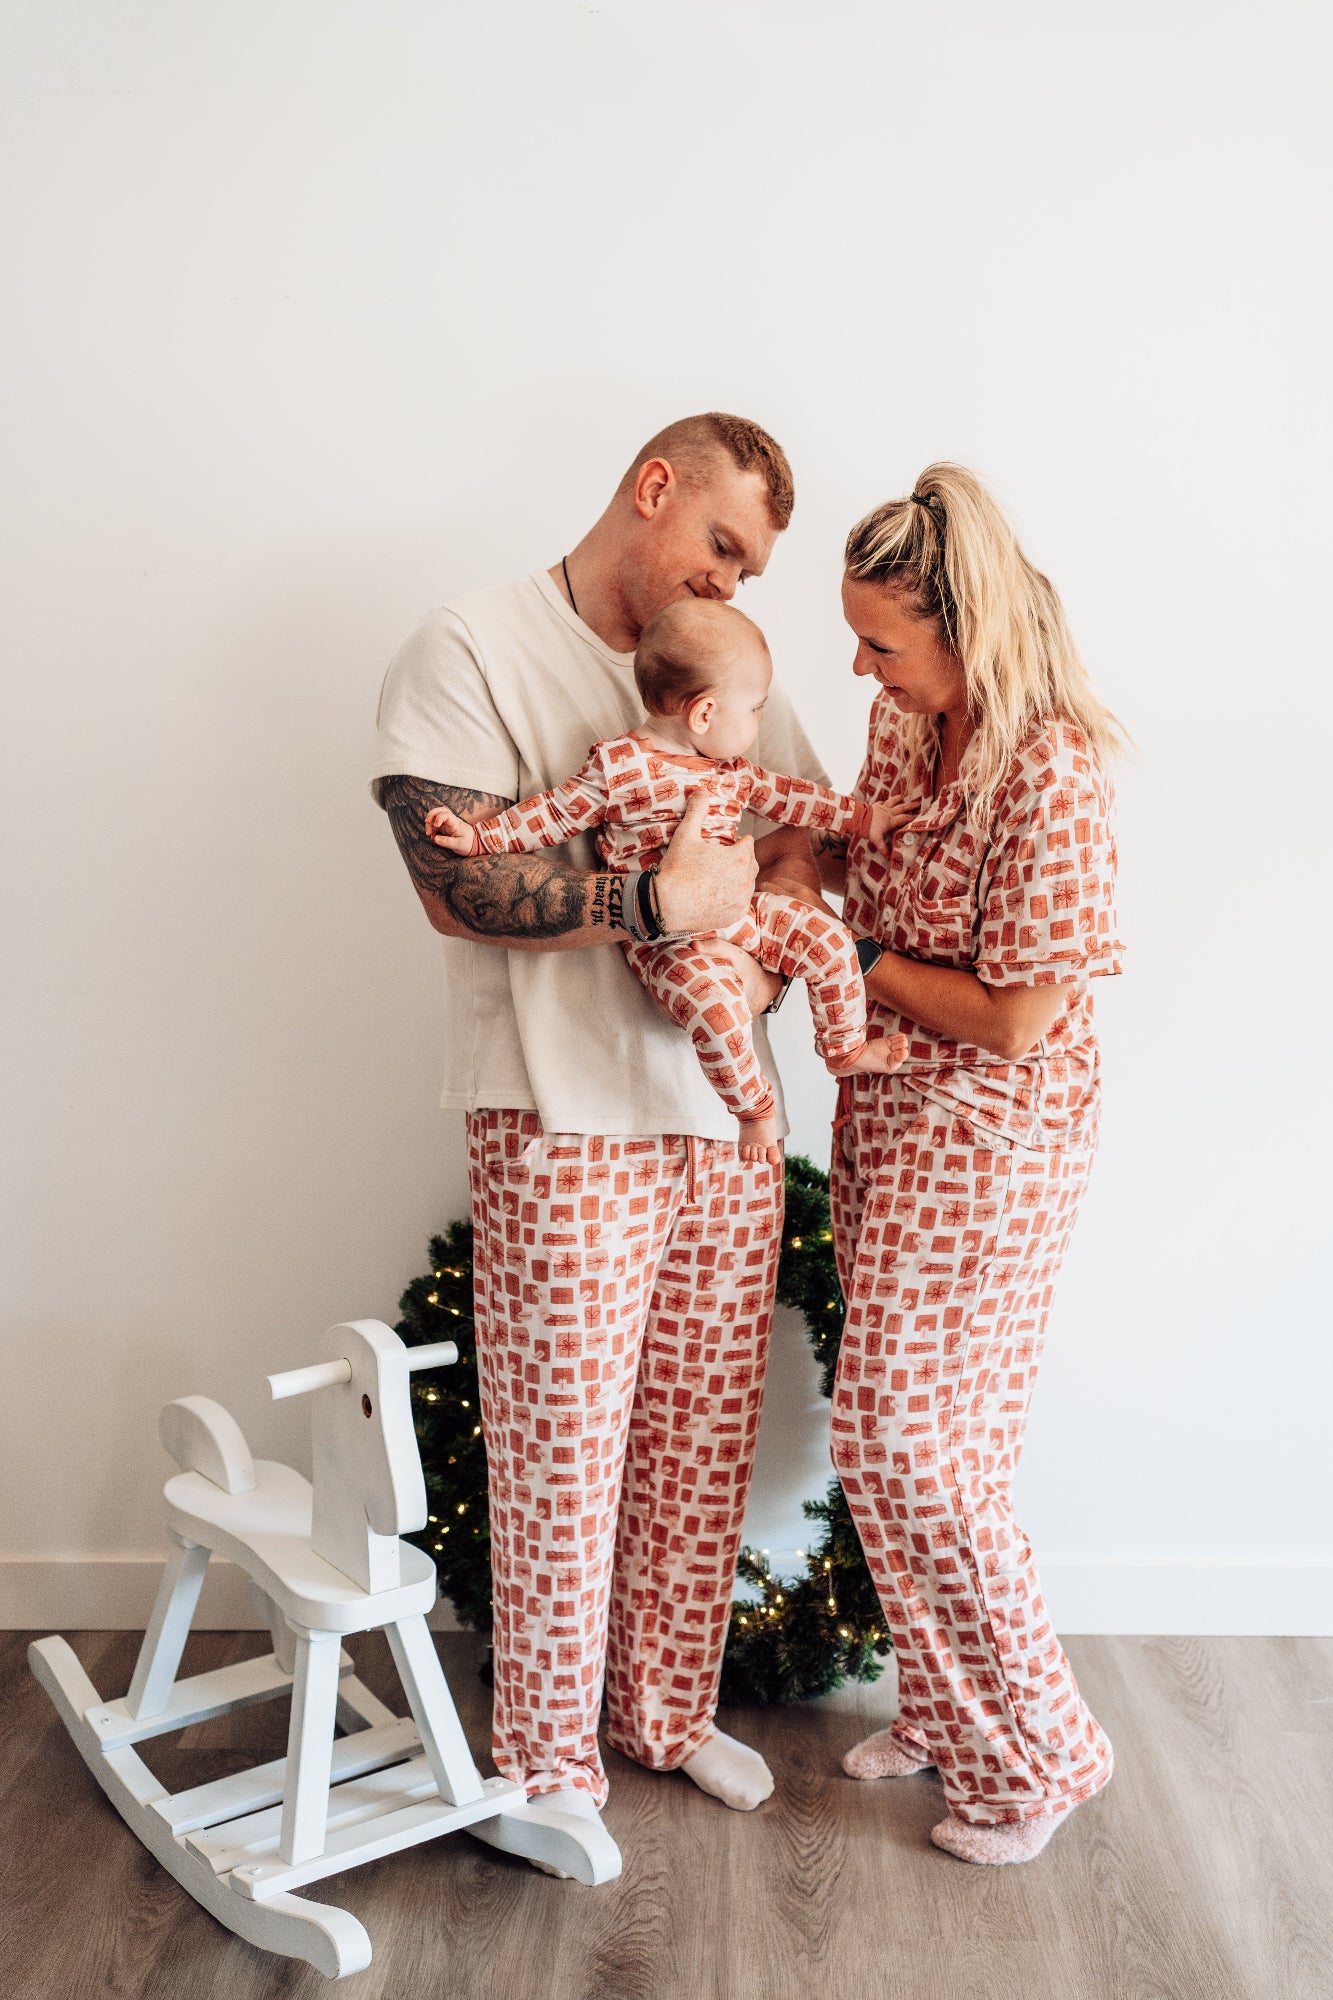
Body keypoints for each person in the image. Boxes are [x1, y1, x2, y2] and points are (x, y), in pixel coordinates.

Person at [371, 413, 821, 1865]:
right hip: (560, 1118)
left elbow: (797, 823)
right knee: (562, 1446)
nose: (734, 589)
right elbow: (453, 882)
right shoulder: (469, 645)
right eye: (724, 548)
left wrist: (749, 960)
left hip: (722, 1114)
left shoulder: (721, 670)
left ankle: (666, 1713)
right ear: (653, 491)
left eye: (752, 571)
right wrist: (645, 909)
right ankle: (547, 1758)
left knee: (700, 1434)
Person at [810, 462, 1125, 1866]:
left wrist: (855, 957)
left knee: (920, 1449)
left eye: (882, 638)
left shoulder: (1050, 771)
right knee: (895, 1446)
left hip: (995, 1138)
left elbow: (1015, 1016)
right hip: (886, 1109)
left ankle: (1049, 1751)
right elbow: (862, 858)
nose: (860, 664)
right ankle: (945, 1713)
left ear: (966, 627)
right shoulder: (899, 719)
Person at [423, 595, 911, 1165]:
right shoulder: (621, 768)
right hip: (670, 944)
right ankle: (754, 1110)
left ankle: (845, 1047)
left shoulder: (731, 773)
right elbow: (552, 813)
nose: (759, 721)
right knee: (716, 1009)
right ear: (704, 714)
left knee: (829, 942)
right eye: (754, 708)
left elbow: (793, 797)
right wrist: (479, 837)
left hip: (742, 911)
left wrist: (863, 818)